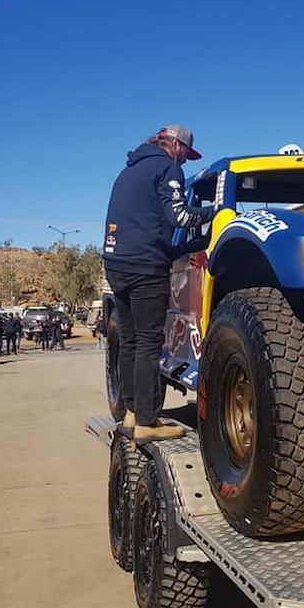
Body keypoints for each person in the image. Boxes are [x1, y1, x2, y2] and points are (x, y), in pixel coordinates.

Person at [102, 124, 213, 442]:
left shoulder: (128, 171)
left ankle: (132, 413)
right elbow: (179, 216)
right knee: (150, 344)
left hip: (117, 266)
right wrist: (215, 212)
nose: (185, 163)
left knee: (131, 341)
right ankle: (148, 423)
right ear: (175, 145)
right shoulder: (167, 168)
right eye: (185, 155)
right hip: (145, 268)